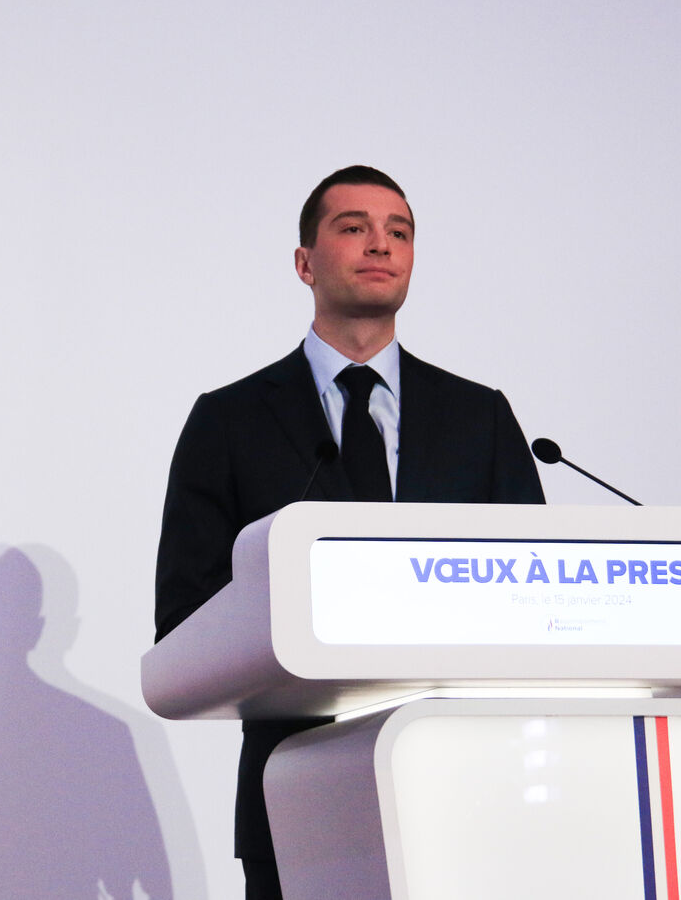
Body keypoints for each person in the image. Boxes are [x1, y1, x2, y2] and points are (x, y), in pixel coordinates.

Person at [154, 165, 544, 899]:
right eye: (354, 227)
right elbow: (185, 619)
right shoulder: (229, 422)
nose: (381, 244)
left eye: (399, 232)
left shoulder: (480, 419)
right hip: (296, 792)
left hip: (466, 792)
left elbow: (534, 595)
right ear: (305, 263)